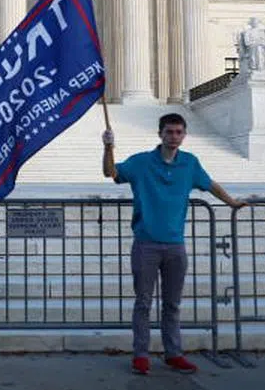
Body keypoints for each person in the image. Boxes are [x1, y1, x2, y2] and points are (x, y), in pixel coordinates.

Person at [102, 113, 246, 375]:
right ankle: (141, 355)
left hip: (175, 245)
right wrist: (108, 147)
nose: (174, 137)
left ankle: (173, 353)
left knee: (172, 304)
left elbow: (210, 185)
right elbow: (111, 172)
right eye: (169, 132)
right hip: (146, 243)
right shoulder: (141, 162)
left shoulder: (190, 164)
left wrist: (232, 202)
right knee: (143, 303)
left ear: (184, 135)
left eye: (179, 132)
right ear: (160, 134)